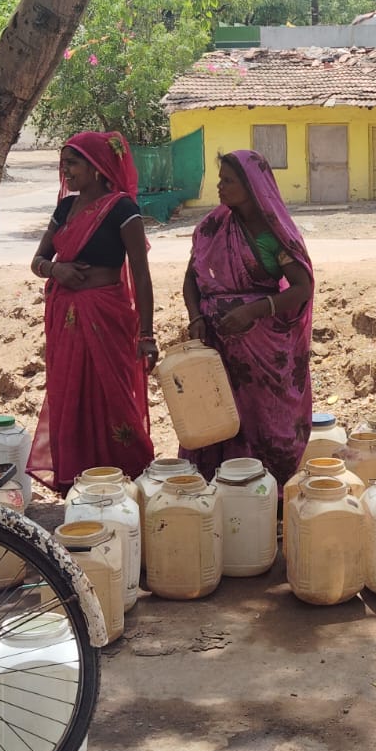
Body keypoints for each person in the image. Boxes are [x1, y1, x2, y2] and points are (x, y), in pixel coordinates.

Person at [29, 131, 156, 494]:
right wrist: (58, 271)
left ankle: (128, 478)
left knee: (113, 396)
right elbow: (37, 261)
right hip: (64, 318)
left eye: (73, 163)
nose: (65, 170)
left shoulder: (122, 210)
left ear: (97, 166)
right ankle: (78, 485)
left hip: (107, 315)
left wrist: (146, 335)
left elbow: (142, 276)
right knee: (70, 395)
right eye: (64, 163)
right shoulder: (65, 209)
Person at [181, 151, 315, 485]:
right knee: (215, 417)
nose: (220, 186)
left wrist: (253, 311)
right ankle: (217, 492)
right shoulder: (214, 227)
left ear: (252, 185)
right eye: (220, 179)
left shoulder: (275, 235)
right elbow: (191, 279)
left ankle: (266, 494)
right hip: (215, 346)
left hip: (262, 349)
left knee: (263, 422)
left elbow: (302, 287)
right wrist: (196, 317)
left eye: (228, 180)